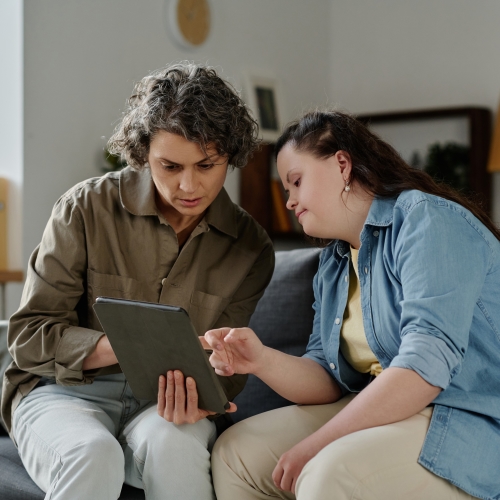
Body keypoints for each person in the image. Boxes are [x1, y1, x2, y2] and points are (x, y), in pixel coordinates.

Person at [2, 62, 275, 500]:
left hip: (165, 408)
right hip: (65, 392)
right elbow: (29, 337)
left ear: (231, 156)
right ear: (144, 153)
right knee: (92, 453)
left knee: (176, 449)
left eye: (207, 165)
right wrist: (125, 345)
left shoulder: (251, 248)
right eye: (170, 166)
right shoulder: (85, 209)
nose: (189, 185)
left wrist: (206, 394)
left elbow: (226, 375)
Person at [205, 110, 500, 500]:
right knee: (234, 453)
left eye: (296, 182)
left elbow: (425, 364)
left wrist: (317, 443)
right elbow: (327, 376)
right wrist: (259, 358)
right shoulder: (335, 261)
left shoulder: (426, 220)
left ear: (342, 165)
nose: (290, 201)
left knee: (329, 472)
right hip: (384, 408)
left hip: (463, 415)